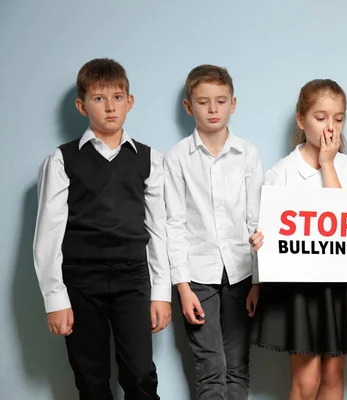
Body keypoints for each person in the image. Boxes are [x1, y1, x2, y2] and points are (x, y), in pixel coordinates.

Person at [33, 58, 171, 400]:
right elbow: (48, 233)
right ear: (82, 106)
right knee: (91, 378)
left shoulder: (150, 159)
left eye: (118, 97)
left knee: (140, 374)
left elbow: (158, 229)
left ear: (130, 102)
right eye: (99, 98)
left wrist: (160, 293)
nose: (110, 106)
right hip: (80, 280)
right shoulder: (62, 160)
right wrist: (55, 298)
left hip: (132, 278)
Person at [249, 79, 347, 400]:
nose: (330, 127)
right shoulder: (281, 172)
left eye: (338, 119)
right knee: (307, 381)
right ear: (301, 120)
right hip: (298, 289)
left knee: (334, 376)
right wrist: (256, 281)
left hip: (340, 286)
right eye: (321, 118)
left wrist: (327, 163)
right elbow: (265, 232)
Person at [164, 64, 263, 399]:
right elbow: (173, 224)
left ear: (233, 104)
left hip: (241, 274)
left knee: (237, 365)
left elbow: (256, 221)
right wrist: (182, 288)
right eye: (203, 102)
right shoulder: (177, 159)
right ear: (189, 107)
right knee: (211, 368)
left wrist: (257, 282)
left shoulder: (248, 155)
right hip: (197, 276)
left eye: (220, 101)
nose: (213, 109)